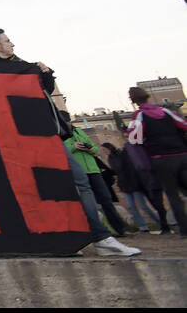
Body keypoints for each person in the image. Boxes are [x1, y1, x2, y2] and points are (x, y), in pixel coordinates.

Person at [0, 28, 139, 256]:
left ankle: (91, 237)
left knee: (78, 182)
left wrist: (46, 74)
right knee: (47, 187)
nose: (12, 44)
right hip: (18, 139)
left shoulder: (23, 65)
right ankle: (84, 238)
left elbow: (46, 93)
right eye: (7, 41)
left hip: (45, 132)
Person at [127, 86, 187, 237]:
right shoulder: (165, 111)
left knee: (173, 196)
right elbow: (184, 125)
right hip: (181, 155)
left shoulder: (139, 115)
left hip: (161, 159)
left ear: (133, 100)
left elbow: (134, 138)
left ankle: (185, 230)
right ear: (147, 96)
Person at [61, 117, 129, 236]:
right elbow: (60, 151)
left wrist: (91, 149)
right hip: (77, 171)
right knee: (88, 202)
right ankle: (95, 231)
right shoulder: (59, 134)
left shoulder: (79, 132)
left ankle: (119, 229)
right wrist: (73, 146)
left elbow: (95, 149)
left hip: (93, 169)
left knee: (106, 199)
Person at [102, 142, 169, 233]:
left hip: (134, 184)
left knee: (143, 206)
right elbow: (116, 170)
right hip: (123, 184)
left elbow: (128, 168)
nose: (104, 152)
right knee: (131, 206)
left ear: (109, 148)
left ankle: (161, 223)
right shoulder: (110, 158)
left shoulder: (122, 154)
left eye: (105, 150)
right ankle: (143, 227)